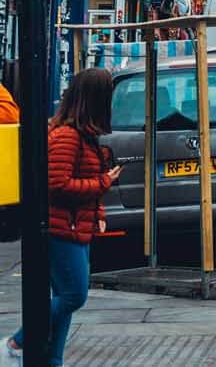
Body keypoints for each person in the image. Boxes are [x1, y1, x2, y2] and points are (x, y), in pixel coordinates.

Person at [6, 69, 122, 366]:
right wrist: (104, 183)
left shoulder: (84, 135)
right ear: (96, 99)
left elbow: (82, 181)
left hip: (75, 225)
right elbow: (57, 185)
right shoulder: (68, 136)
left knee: (66, 298)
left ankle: (53, 360)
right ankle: (18, 342)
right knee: (73, 295)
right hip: (61, 227)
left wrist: (98, 212)